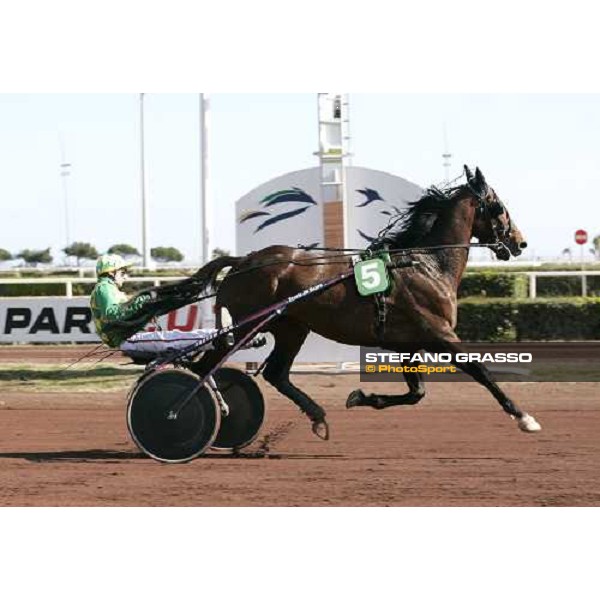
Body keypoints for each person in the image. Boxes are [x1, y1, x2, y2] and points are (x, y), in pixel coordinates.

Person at [89, 254, 265, 360]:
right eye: (123, 272)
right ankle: (243, 340)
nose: (125, 276)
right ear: (111, 273)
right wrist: (141, 301)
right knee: (186, 338)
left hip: (129, 337)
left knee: (187, 336)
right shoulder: (105, 288)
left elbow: (118, 314)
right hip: (128, 340)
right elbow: (113, 315)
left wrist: (143, 309)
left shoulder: (107, 288)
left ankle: (241, 339)